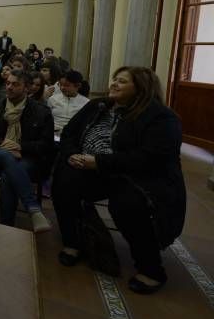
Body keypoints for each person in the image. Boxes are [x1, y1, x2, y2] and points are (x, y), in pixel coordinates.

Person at [51, 67, 186, 294]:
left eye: (121, 81)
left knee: (127, 204)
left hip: (140, 179)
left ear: (141, 88)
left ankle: (151, 269)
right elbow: (69, 134)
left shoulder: (161, 117)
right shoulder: (99, 105)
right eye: (114, 79)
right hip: (94, 167)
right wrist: (71, 154)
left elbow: (148, 159)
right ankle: (73, 242)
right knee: (65, 181)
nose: (113, 83)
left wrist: (100, 162)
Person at [0, 69, 54, 232]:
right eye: (7, 83)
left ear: (27, 88)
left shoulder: (41, 112)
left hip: (28, 158)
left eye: (15, 84)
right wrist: (6, 144)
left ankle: (6, 227)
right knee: (5, 157)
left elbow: (45, 144)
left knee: (9, 174)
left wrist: (21, 147)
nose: (9, 87)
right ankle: (33, 209)